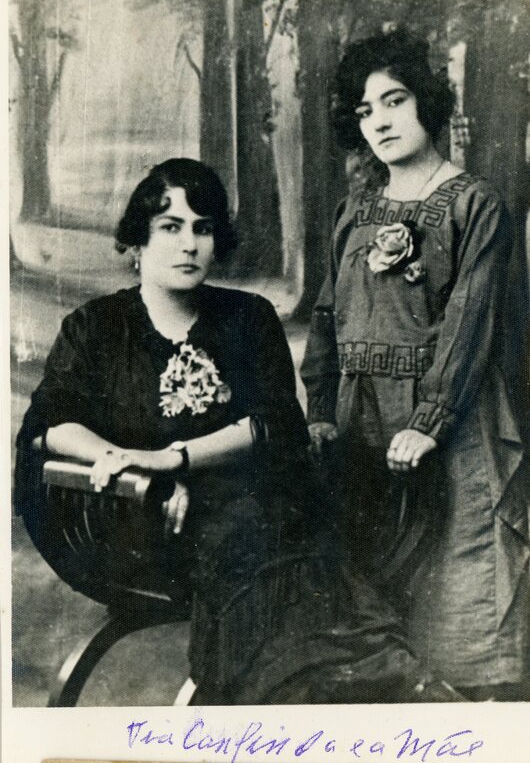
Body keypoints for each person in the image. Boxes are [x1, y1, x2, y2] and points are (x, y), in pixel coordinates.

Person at [15, 157, 464, 705]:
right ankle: (341, 688)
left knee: (293, 534)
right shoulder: (97, 327)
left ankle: (358, 684)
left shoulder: (247, 317)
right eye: (170, 227)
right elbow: (50, 424)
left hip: (256, 511)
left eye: (203, 228)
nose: (189, 245)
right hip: (148, 525)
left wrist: (173, 458)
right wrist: (124, 460)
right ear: (137, 241)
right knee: (273, 542)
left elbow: (275, 422)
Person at [301, 29, 528, 700]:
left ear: (427, 101)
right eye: (365, 110)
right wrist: (320, 411)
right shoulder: (355, 211)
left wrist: (429, 421)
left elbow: (469, 324)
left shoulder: (475, 204)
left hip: (451, 436)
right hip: (362, 427)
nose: (380, 121)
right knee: (373, 624)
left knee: (457, 620)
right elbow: (327, 317)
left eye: (394, 100)